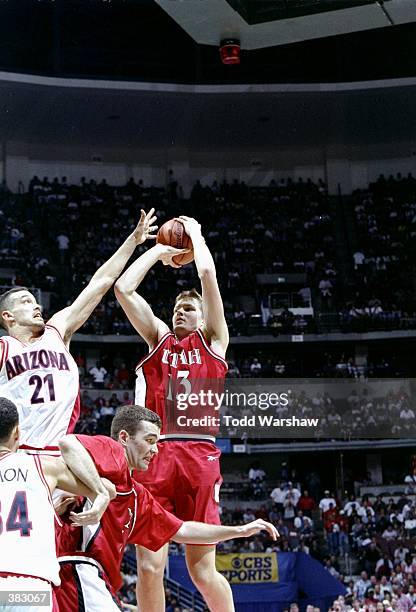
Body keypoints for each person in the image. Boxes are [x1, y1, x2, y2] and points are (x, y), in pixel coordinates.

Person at [114, 215, 231, 611]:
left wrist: (195, 235)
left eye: (188, 308)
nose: (181, 312)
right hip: (157, 454)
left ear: (202, 317)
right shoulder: (159, 339)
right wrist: (159, 251)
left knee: (202, 572)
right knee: (149, 567)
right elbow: (124, 288)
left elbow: (209, 275)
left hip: (199, 456)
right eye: (178, 307)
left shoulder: (214, 341)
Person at [56, 405, 278, 612]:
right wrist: (101, 491)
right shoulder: (113, 453)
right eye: (150, 440)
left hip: (61, 579)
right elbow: (68, 444)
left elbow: (182, 530)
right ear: (124, 437)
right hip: (73, 572)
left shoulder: (138, 497)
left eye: (156, 443)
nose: (155, 450)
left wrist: (238, 531)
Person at [0, 209, 157, 454]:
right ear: (7, 316)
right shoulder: (3, 348)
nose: (36, 306)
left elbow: (100, 283)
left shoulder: (57, 331)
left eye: (35, 301)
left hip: (58, 455)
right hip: (16, 455)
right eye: (26, 302)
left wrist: (133, 241)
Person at [0, 397, 113, 612]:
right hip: (29, 587)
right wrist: (100, 495)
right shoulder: (43, 466)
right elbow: (107, 487)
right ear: (17, 432)